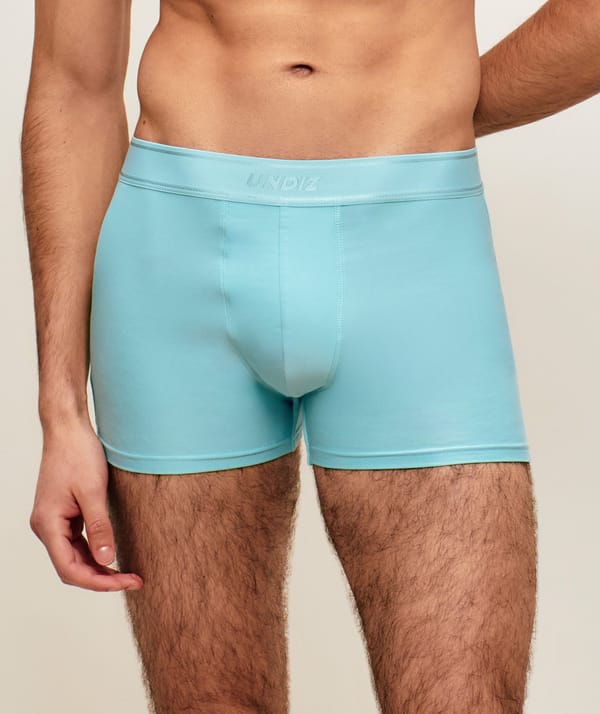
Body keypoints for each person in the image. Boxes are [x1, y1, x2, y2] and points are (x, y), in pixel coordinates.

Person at [20, 1, 598, 713]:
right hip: (174, 259)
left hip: (413, 245)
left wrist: (439, 103)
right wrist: (61, 411)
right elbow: (73, 82)